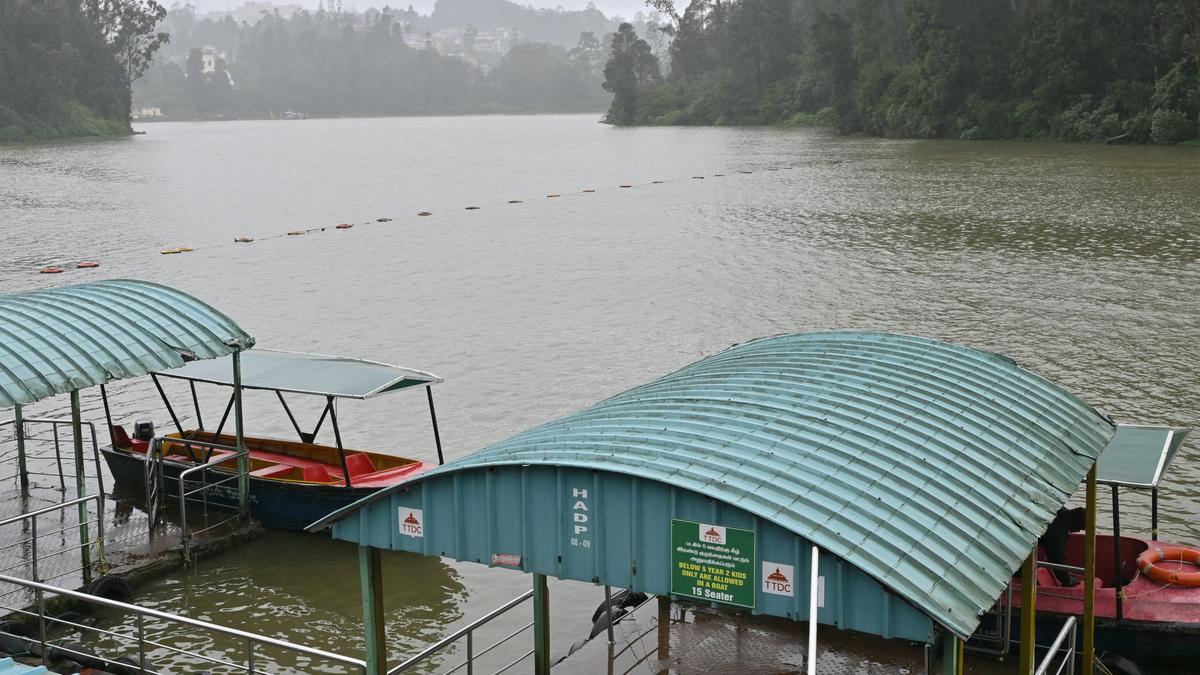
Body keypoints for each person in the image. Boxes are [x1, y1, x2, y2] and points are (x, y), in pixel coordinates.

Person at [1038, 506, 1087, 585]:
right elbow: (1057, 558)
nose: (1077, 531)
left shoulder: (1059, 509)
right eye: (1079, 528)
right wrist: (1067, 579)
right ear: (1074, 522)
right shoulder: (1057, 532)